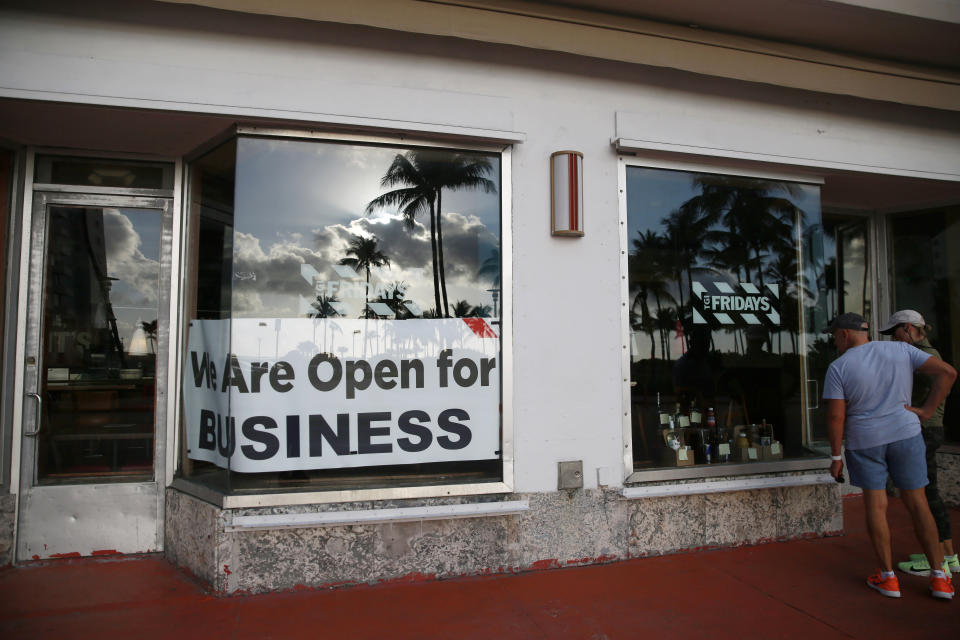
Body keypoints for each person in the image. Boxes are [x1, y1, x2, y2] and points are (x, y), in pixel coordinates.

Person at [822, 312, 957, 600]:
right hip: (905, 434)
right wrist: (927, 410)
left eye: (834, 336)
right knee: (919, 503)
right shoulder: (901, 349)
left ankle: (888, 579)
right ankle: (939, 578)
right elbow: (948, 373)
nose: (834, 341)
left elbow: (836, 416)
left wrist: (835, 456)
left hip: (865, 440)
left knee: (876, 504)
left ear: (844, 334)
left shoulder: (838, 366)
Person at [879, 310, 959, 577]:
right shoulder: (921, 353)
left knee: (925, 496)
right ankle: (947, 555)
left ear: (909, 329)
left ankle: (939, 558)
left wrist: (925, 410)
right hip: (928, 429)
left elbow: (947, 376)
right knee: (930, 493)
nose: (894, 339)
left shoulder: (926, 355)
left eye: (896, 332)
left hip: (925, 430)